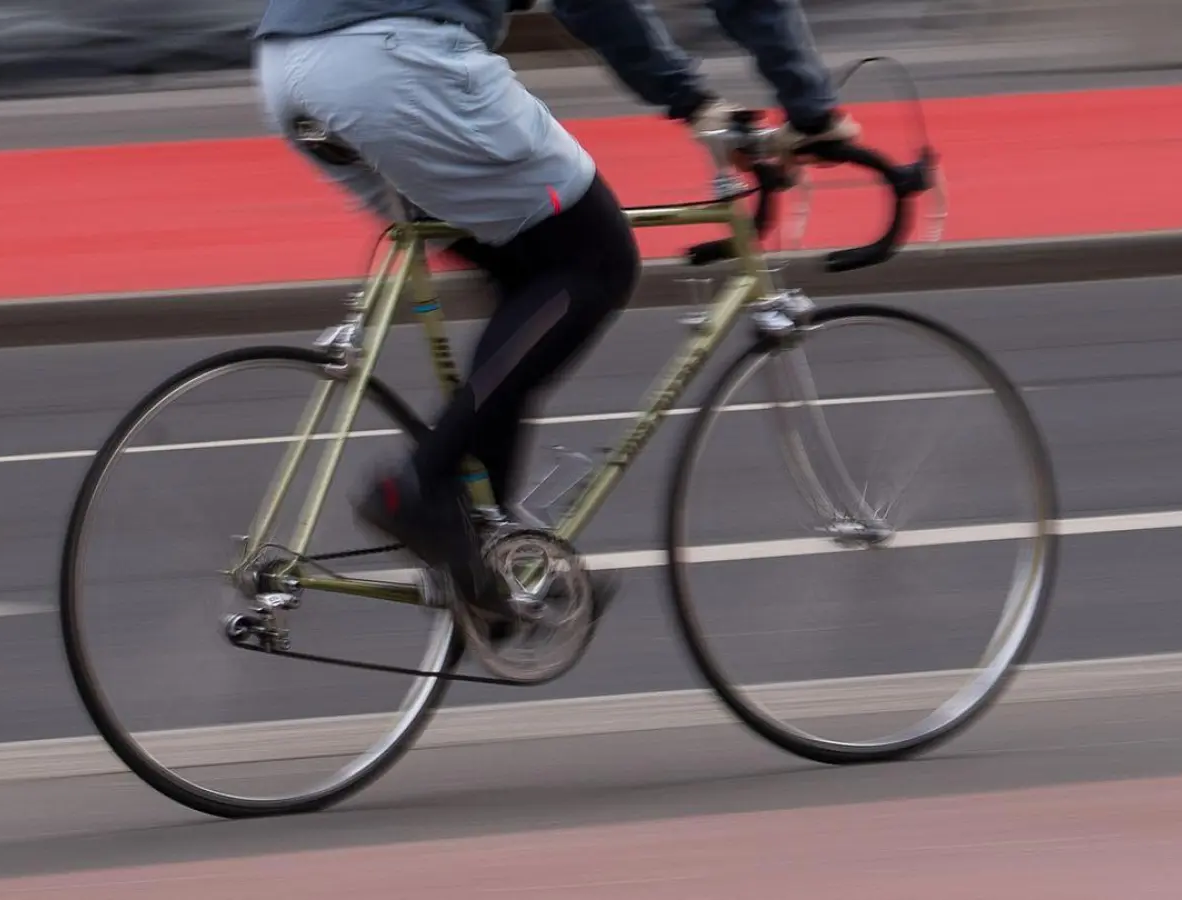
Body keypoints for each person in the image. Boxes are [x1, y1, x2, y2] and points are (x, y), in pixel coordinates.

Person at [251, 0, 858, 625]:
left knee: (529, 273)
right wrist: (781, 108)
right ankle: (422, 487)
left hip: (286, 65)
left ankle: (487, 553)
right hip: (393, 60)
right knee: (594, 260)